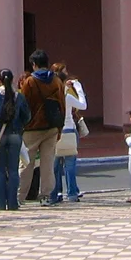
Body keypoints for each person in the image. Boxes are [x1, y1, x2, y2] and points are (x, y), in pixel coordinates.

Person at [17, 50, 67, 207]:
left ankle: (19, 196)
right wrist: (60, 127)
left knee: (26, 163)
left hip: (32, 128)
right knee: (47, 163)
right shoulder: (57, 81)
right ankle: (45, 196)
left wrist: (22, 125)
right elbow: (62, 105)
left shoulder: (30, 81)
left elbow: (23, 105)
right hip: (52, 126)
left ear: (34, 64)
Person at [0, 69, 30, 210]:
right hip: (15, 135)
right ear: (12, 80)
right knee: (13, 169)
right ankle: (13, 202)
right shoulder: (19, 97)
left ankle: (0, 202)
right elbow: (27, 116)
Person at [50, 63, 88, 203]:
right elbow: (83, 105)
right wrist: (78, 88)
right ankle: (72, 194)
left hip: (55, 132)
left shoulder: (51, 95)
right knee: (70, 165)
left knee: (54, 166)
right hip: (69, 130)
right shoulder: (67, 96)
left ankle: (55, 194)